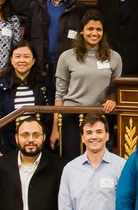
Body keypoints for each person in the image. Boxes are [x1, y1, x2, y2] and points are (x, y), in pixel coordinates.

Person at [52, 11, 121, 161]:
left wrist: (113, 99)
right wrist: (55, 129)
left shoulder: (114, 57)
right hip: (71, 117)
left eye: (98, 29)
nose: (94, 33)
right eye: (90, 29)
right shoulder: (67, 56)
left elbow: (116, 88)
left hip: (100, 117)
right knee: (72, 162)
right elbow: (60, 94)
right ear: (82, 31)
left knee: (101, 163)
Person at [28, 0, 86, 92]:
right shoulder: (35, 5)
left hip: (68, 68)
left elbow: (83, 40)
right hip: (40, 68)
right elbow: (28, 37)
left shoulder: (78, 8)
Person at [0, 41, 51, 154]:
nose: (22, 60)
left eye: (26, 57)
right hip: (10, 145)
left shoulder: (43, 84)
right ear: (11, 60)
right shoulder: (1, 86)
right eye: (17, 57)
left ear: (33, 61)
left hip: (39, 145)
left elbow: (48, 118)